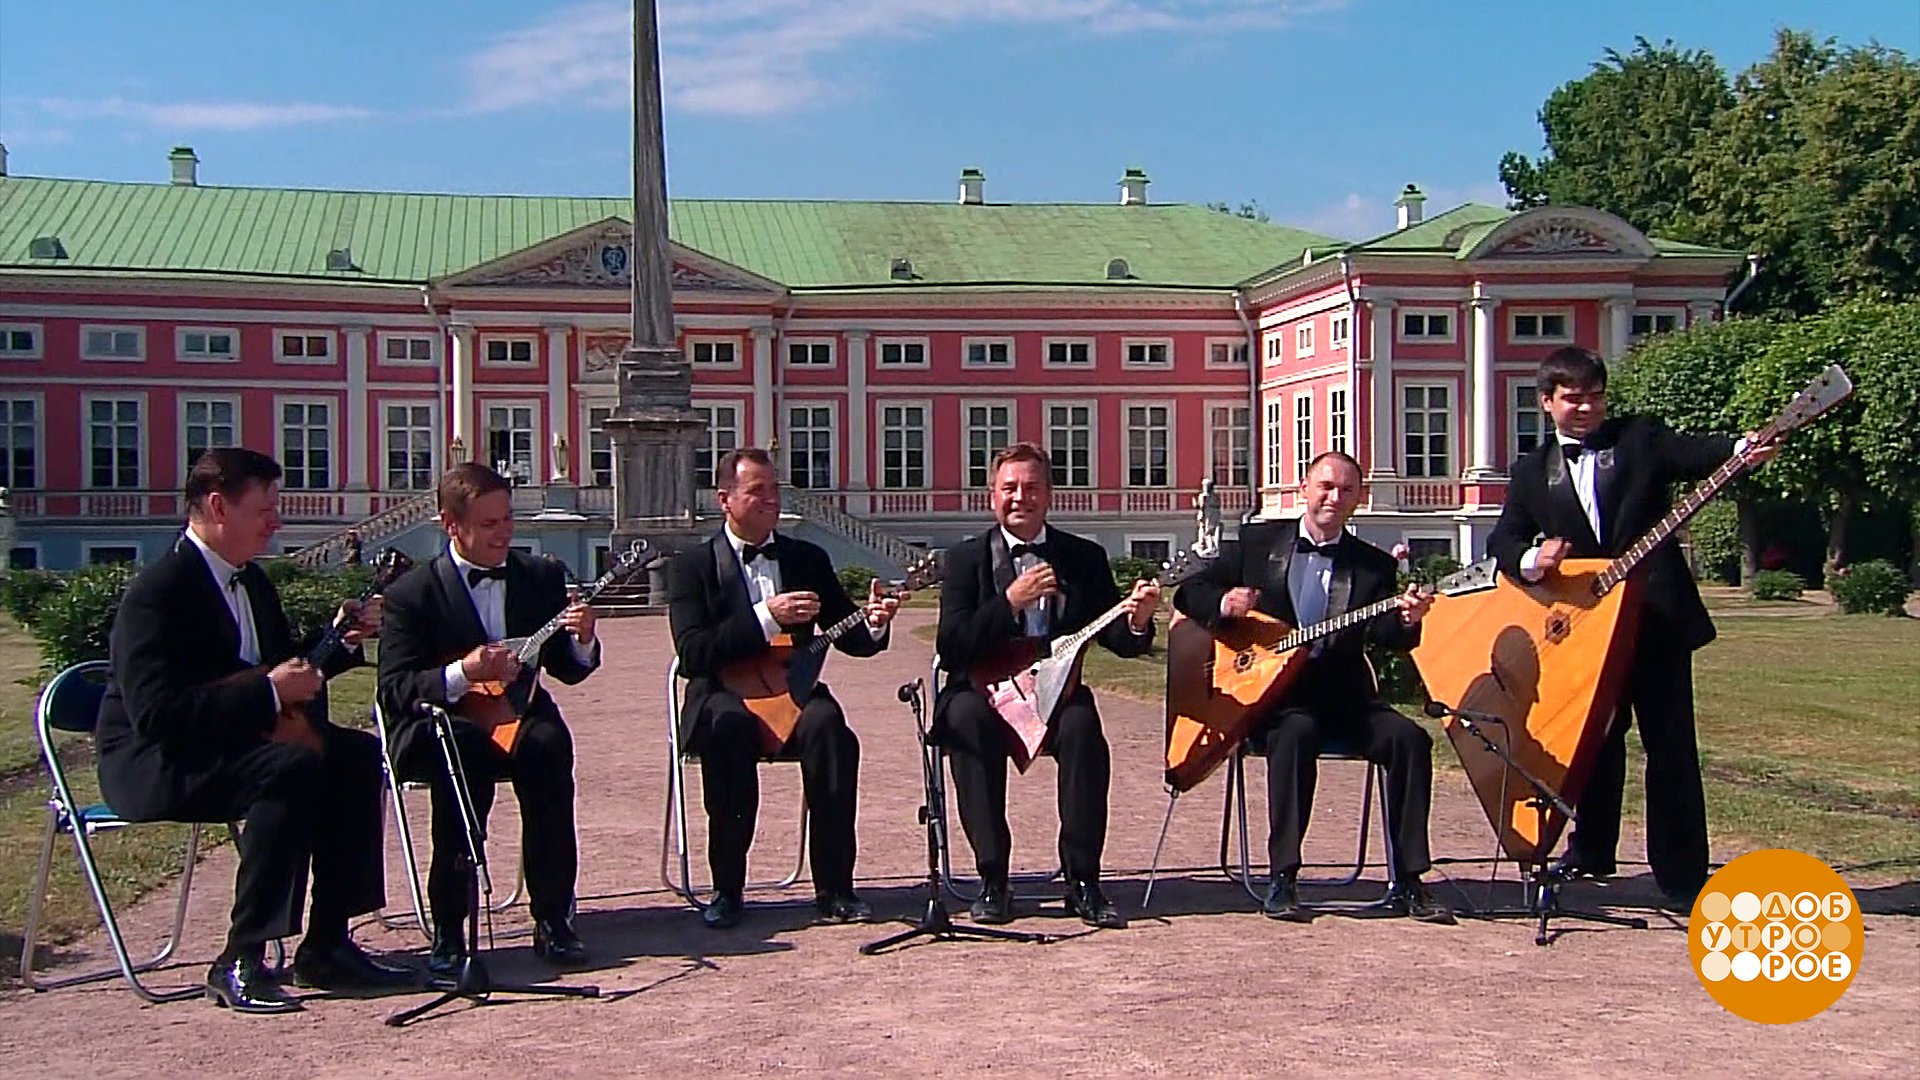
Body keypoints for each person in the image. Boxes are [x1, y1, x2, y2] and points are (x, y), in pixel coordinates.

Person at [96, 448, 408, 1014]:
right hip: (159, 759)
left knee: (356, 756)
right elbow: (157, 715)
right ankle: (241, 955)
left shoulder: (253, 584)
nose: (277, 521)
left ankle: (329, 943)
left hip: (236, 743)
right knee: (289, 768)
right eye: (265, 508)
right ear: (218, 506)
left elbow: (276, 670)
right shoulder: (158, 592)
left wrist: (334, 647)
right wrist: (268, 692)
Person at [1488, 346, 1771, 908]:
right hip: (1587, 628)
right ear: (1547, 403)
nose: (1586, 408)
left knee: (1670, 745)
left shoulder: (1639, 438)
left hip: (1657, 618)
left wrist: (1743, 447)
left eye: (1595, 396)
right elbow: (1503, 541)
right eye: (1573, 399)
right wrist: (1530, 561)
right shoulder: (1529, 472)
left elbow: (1697, 453)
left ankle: (1683, 873)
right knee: (1594, 739)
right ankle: (1592, 850)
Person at [1174, 451, 1452, 923]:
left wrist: (1409, 620)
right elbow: (1188, 592)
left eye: (1346, 490)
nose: (1333, 497)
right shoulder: (1257, 542)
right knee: (1295, 733)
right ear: (1304, 488)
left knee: (1410, 740)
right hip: (1272, 698)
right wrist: (1224, 600)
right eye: (1325, 486)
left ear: (1358, 500)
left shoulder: (1373, 566)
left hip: (1344, 696)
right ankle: (1283, 875)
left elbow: (1387, 637)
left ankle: (1409, 879)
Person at [377, 463, 601, 977]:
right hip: (441, 720)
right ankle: (451, 930)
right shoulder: (411, 594)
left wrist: (583, 638)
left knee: (548, 746)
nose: (504, 534)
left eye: (507, 520)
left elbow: (567, 668)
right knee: (464, 754)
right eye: (489, 524)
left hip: (517, 716)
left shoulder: (540, 577)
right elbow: (395, 689)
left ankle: (553, 918)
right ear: (451, 525)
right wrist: (462, 672)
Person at [666, 447, 901, 929]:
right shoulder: (691, 566)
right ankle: (727, 889)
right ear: (724, 499)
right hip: (724, 695)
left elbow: (849, 634)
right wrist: (765, 617)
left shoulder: (806, 558)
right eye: (757, 491)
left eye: (774, 490)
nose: (770, 500)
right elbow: (692, 655)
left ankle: (836, 888)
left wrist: (874, 622)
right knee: (727, 728)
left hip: (792, 693)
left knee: (831, 728)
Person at [934, 442, 1160, 930]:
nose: (1021, 497)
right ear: (990, 495)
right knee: (966, 722)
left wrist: (1138, 620)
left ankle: (1083, 880)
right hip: (982, 691)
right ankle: (993, 877)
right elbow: (952, 648)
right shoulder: (964, 560)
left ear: (1049, 495)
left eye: (1032, 488)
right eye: (1010, 488)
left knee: (1082, 728)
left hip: (1053, 690)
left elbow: (1118, 639)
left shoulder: (1084, 557)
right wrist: (1009, 603)